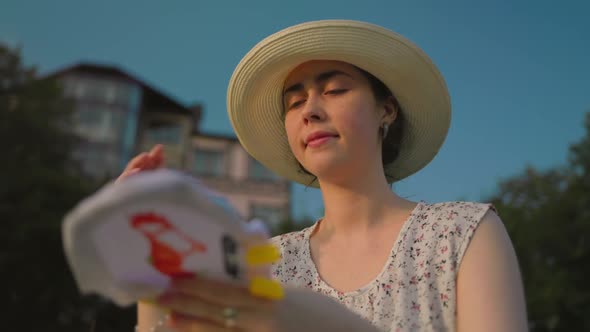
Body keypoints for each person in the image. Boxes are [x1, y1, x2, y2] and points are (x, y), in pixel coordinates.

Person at [127, 20, 528, 331]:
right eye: (295, 102)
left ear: (386, 110)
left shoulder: (461, 233)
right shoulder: (263, 264)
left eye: (335, 90)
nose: (310, 110)